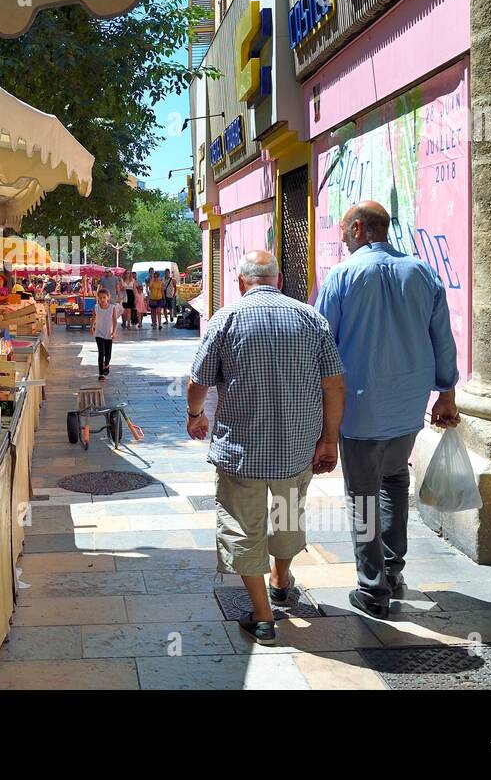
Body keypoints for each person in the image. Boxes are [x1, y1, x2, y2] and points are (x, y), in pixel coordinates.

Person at [187, 251, 345, 644]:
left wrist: (195, 415)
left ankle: (262, 616)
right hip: (297, 448)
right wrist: (329, 439)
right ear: (278, 280)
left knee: (242, 526)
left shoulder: (226, 319)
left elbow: (198, 382)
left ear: (241, 282)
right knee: (287, 514)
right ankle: (280, 577)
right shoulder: (311, 319)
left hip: (242, 450)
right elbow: (334, 385)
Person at [315, 200, 460, 619]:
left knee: (362, 495)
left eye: (344, 232)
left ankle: (372, 585)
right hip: (407, 406)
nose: (343, 240)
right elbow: (442, 339)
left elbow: (322, 345)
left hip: (359, 409)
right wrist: (446, 392)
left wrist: (316, 409)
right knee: (395, 480)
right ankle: (393, 571)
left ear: (359, 229)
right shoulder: (422, 272)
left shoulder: (343, 276)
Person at [91, 286, 118, 379]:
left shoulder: (112, 308)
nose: (102, 299)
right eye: (100, 297)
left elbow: (115, 321)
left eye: (104, 297)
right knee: (101, 352)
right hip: (98, 333)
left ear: (108, 298)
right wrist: (91, 327)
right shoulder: (96, 307)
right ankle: (101, 373)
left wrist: (114, 332)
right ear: (98, 298)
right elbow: (93, 318)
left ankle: (106, 364)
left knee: (108, 355)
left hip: (108, 334)